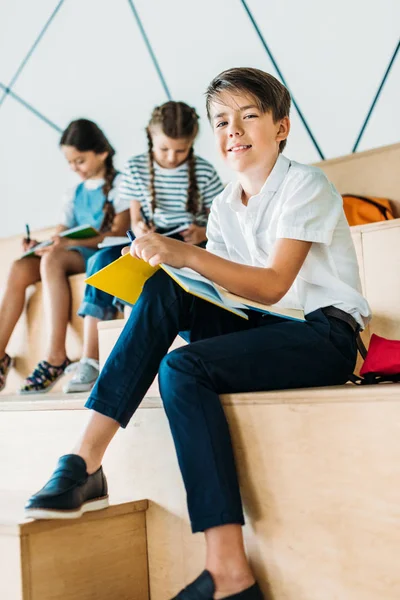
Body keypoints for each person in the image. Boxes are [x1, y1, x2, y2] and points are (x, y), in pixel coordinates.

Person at [25, 68, 371, 599]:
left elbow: (275, 285)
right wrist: (164, 273)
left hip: (324, 337)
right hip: (264, 328)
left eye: (248, 115)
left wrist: (188, 253)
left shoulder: (305, 184)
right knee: (166, 291)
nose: (233, 129)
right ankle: (84, 461)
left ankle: (229, 572)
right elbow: (226, 295)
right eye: (222, 121)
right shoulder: (228, 205)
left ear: (281, 127)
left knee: (182, 366)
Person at [64, 101, 224, 393]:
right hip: (150, 240)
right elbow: (136, 217)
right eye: (164, 149)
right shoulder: (136, 167)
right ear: (151, 138)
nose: (172, 157)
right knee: (101, 260)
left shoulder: (203, 171)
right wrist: (140, 229)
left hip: (188, 245)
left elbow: (221, 215)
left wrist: (201, 231)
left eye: (181, 150)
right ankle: (90, 357)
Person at [0, 119, 130, 394]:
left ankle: (55, 356)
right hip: (69, 251)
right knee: (20, 266)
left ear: (102, 153)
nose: (74, 168)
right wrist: (41, 243)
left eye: (80, 160)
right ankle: (0, 354)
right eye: (70, 162)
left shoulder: (122, 185)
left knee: (53, 260)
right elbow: (60, 231)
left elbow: (118, 233)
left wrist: (66, 242)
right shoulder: (74, 192)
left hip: (95, 253)